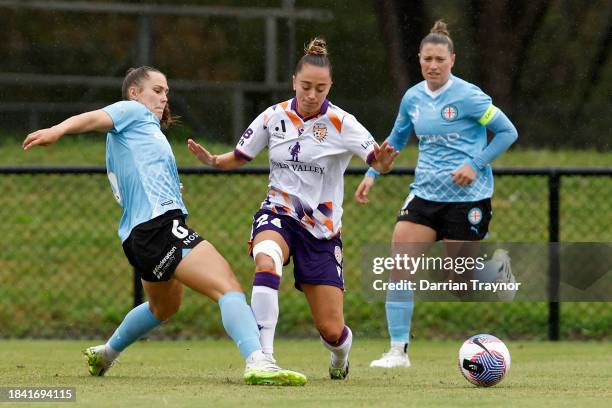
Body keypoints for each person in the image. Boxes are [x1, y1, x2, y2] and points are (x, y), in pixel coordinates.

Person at [22, 66, 307, 386]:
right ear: (134, 93)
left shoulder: (141, 134)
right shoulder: (132, 112)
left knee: (163, 306)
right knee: (228, 287)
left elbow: (141, 177)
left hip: (138, 236)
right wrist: (57, 131)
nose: (163, 97)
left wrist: (172, 188)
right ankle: (258, 361)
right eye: (156, 90)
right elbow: (91, 118)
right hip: (158, 228)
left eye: (166, 92)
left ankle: (105, 354)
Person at [187, 38, 398, 380]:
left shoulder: (343, 123)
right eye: (305, 86)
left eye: (320, 88)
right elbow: (241, 155)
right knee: (266, 258)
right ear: (293, 82)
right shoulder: (274, 116)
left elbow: (376, 158)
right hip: (279, 213)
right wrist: (213, 160)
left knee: (331, 330)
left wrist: (384, 164)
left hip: (322, 232)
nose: (312, 94)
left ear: (330, 87)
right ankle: (262, 358)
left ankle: (340, 357)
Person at [354, 20, 518, 369]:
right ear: (419, 59)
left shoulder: (470, 97)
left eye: (440, 59)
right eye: (427, 58)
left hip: (467, 197)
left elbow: (507, 132)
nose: (433, 65)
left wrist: (475, 163)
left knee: (460, 284)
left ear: (452, 60)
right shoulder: (412, 98)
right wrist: (372, 172)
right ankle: (397, 351)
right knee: (400, 265)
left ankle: (496, 270)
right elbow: (397, 140)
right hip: (424, 196)